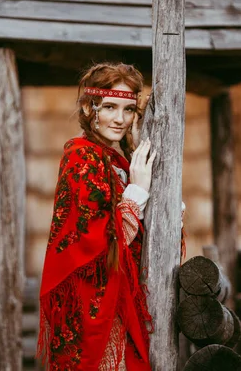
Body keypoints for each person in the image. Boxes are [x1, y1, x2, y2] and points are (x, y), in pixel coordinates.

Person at [37, 62, 176, 370]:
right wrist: (138, 192)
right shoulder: (80, 156)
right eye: (110, 106)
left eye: (128, 110)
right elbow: (98, 240)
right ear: (89, 108)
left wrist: (164, 201)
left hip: (126, 300)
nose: (120, 119)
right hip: (93, 303)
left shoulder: (122, 162)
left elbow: (140, 233)